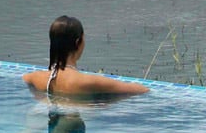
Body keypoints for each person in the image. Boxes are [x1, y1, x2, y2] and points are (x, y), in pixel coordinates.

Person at [21, 15, 149, 99]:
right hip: (72, 127)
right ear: (78, 43)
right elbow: (142, 90)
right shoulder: (89, 82)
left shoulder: (33, 78)